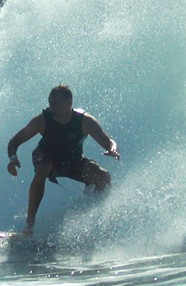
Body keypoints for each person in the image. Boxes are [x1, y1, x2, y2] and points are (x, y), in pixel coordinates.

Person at [6, 84, 120, 235]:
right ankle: (29, 224)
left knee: (103, 177)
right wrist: (13, 158)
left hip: (72, 161)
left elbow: (109, 141)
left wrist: (112, 149)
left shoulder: (85, 121)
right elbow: (15, 140)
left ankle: (90, 220)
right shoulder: (42, 120)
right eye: (50, 103)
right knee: (44, 167)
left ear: (69, 103)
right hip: (45, 157)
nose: (52, 108)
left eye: (56, 104)